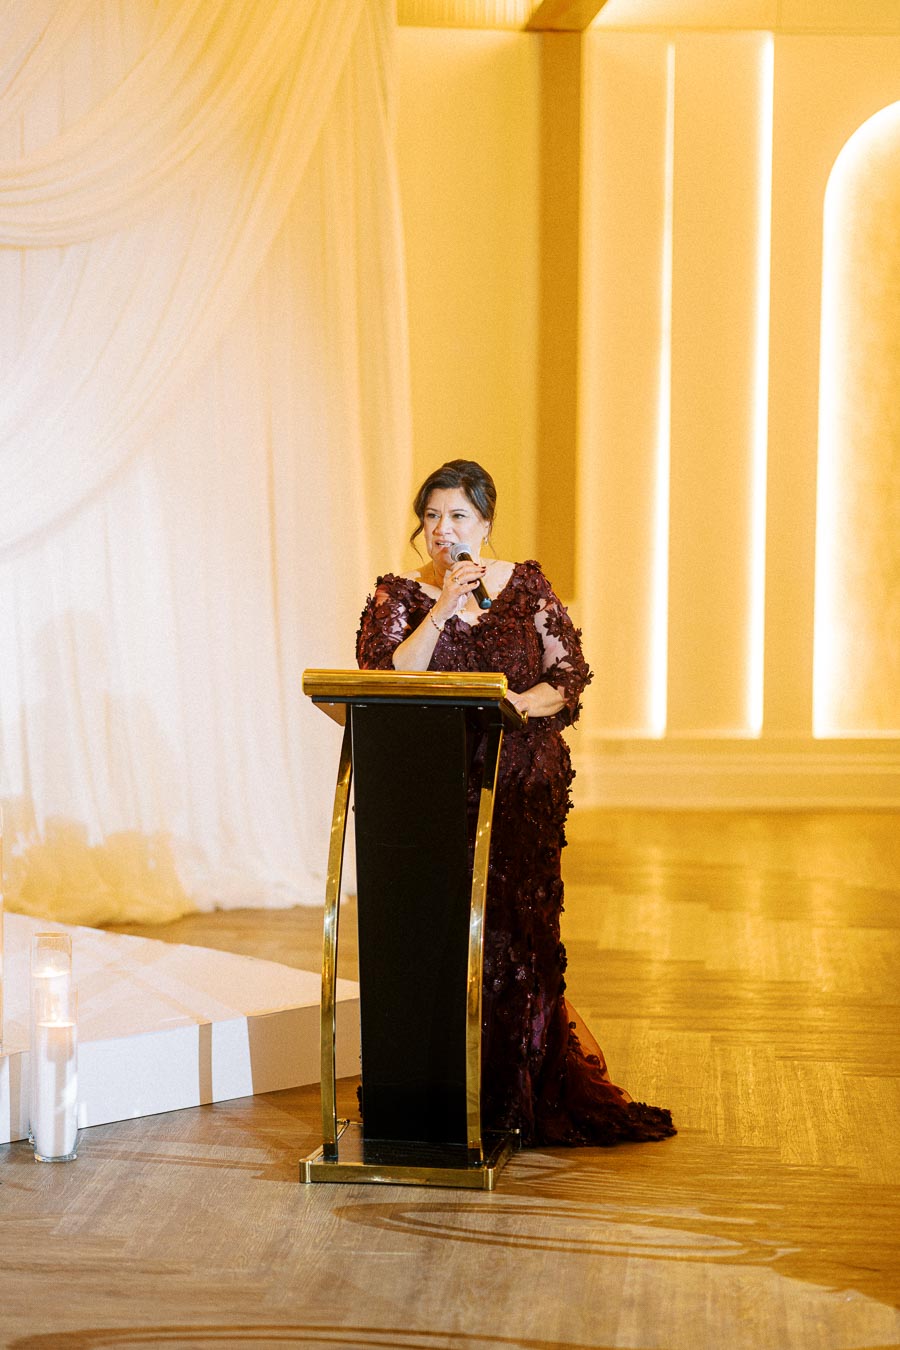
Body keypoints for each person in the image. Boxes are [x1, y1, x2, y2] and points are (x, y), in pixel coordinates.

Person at [356, 459, 674, 1147]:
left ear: (486, 524)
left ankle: (518, 1092)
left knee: (515, 938)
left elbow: (569, 673)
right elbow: (382, 678)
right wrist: (441, 610)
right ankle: (449, 1090)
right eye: (432, 517)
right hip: (435, 791)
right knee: (448, 936)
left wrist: (522, 706)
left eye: (458, 517)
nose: (444, 531)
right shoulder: (400, 595)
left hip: (523, 783)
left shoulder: (524, 586)